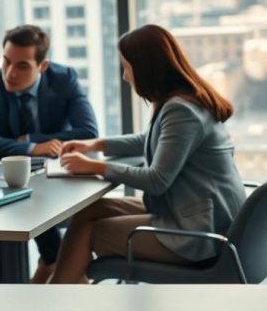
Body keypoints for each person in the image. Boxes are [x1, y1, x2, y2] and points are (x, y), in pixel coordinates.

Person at [49, 24, 246, 283]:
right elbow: (150, 139)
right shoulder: (185, 99)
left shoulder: (181, 111)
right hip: (195, 212)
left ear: (145, 69)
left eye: (127, 67)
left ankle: (57, 293)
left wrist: (94, 167)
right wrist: (95, 145)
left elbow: (156, 180)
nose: (125, 76)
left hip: (199, 233)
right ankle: (63, 288)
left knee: (91, 233)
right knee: (90, 211)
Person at [0, 24, 99, 282]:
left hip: (57, 182)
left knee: (43, 213)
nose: (10, 73)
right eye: (6, 62)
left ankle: (51, 267)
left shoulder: (64, 79)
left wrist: (32, 139)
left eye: (22, 66)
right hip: (6, 183)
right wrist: (31, 148)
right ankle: (53, 267)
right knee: (32, 208)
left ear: (42, 66)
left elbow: (88, 132)